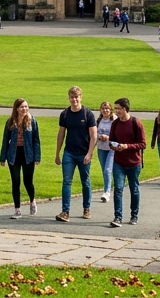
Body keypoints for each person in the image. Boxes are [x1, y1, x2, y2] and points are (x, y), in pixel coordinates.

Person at [54, 86, 97, 222]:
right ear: (69, 98)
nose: (74, 100)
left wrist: (89, 153)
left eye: (76, 97)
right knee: (67, 182)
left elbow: (93, 136)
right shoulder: (65, 114)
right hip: (69, 153)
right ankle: (65, 211)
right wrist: (57, 153)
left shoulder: (88, 114)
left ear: (81, 97)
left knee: (86, 182)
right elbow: (61, 134)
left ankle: (86, 208)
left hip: (83, 152)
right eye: (72, 97)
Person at [107, 98, 145, 227]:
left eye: (118, 108)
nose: (116, 111)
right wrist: (115, 146)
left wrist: (127, 147)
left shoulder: (136, 123)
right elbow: (111, 140)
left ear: (125, 109)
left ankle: (134, 215)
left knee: (134, 189)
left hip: (134, 163)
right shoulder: (115, 124)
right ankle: (118, 217)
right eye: (115, 108)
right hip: (119, 162)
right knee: (118, 189)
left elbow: (142, 144)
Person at [1, 98, 41, 217]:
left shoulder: (32, 121)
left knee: (28, 181)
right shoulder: (10, 122)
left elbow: (36, 140)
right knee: (16, 181)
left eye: (26, 106)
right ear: (16, 109)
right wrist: (2, 158)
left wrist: (37, 157)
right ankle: (17, 209)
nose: (24, 109)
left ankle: (32, 200)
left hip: (28, 155)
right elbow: (5, 140)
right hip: (13, 154)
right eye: (22, 107)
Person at [95, 101, 116, 203]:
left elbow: (118, 134)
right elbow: (94, 134)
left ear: (110, 110)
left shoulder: (114, 120)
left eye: (107, 108)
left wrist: (108, 137)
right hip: (101, 148)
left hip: (112, 148)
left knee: (108, 170)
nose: (105, 110)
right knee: (104, 170)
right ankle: (107, 188)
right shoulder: (99, 121)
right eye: (103, 108)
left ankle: (107, 192)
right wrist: (99, 136)